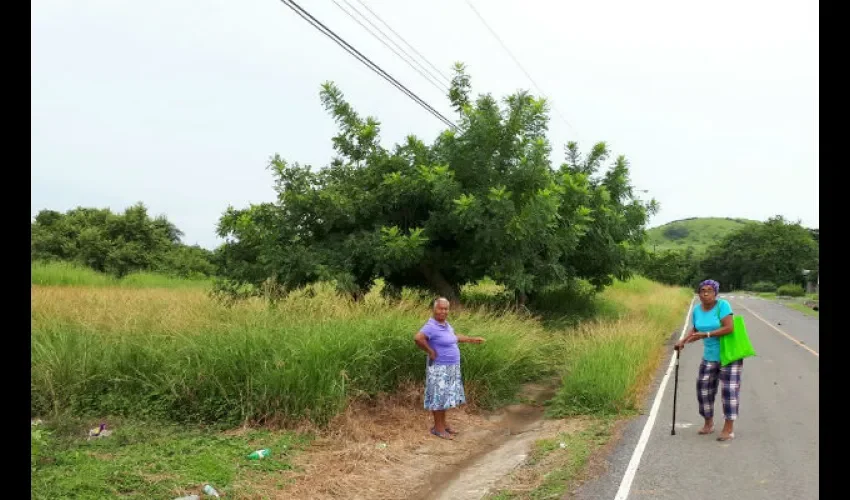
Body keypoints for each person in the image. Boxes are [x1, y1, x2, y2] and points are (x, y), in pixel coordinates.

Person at [675, 279, 741, 441]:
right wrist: (683, 341)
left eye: (709, 291)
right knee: (703, 390)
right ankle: (708, 423)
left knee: (729, 392)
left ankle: (728, 427)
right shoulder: (697, 310)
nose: (705, 293)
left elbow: (729, 327)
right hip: (709, 357)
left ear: (715, 293)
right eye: (702, 290)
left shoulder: (722, 306)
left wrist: (707, 335)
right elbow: (696, 330)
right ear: (698, 293)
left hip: (729, 356)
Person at [413, 297, 485, 440]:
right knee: (438, 398)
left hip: (450, 367)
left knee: (445, 397)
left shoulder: (445, 325)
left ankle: (443, 424)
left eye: (446, 309)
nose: (444, 311)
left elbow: (454, 337)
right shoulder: (431, 326)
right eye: (441, 308)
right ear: (434, 309)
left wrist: (471, 339)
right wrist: (431, 352)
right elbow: (418, 338)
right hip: (439, 367)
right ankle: (438, 428)